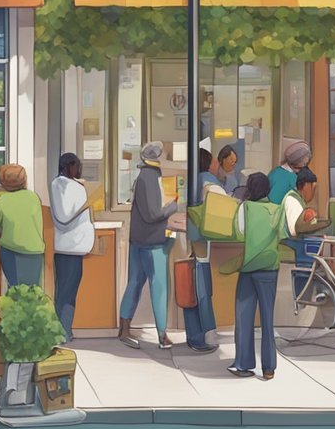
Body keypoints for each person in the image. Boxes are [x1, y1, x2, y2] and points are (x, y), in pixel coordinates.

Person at [227, 170, 317, 381]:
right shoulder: (277, 211)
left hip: (249, 267)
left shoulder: (244, 208)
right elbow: (285, 234)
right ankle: (269, 368)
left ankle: (243, 363)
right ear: (267, 190)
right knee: (267, 319)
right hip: (269, 269)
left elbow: (237, 233)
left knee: (244, 317)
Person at [118, 142, 178, 350]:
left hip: (138, 240)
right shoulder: (151, 178)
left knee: (134, 282)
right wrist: (172, 207)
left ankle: (124, 326)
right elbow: (153, 214)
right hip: (153, 242)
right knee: (159, 286)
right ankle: (163, 335)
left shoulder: (141, 177)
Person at [50, 153, 94, 342]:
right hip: (73, 247)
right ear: (72, 166)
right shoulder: (73, 188)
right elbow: (65, 217)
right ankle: (63, 331)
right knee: (68, 293)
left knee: (63, 291)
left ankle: (62, 330)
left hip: (64, 247)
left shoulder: (57, 184)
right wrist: (86, 204)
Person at [0, 164, 45, 288]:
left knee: (15, 288)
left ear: (3, 183)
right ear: (24, 180)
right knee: (33, 289)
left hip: (11, 252)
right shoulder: (34, 197)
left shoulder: (1, 202)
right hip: (35, 251)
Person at [183, 148, 223, 353]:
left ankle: (193, 334)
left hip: (191, 239)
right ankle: (207, 334)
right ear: (208, 163)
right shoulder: (208, 181)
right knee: (203, 290)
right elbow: (222, 205)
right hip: (204, 243)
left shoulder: (191, 180)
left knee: (190, 289)